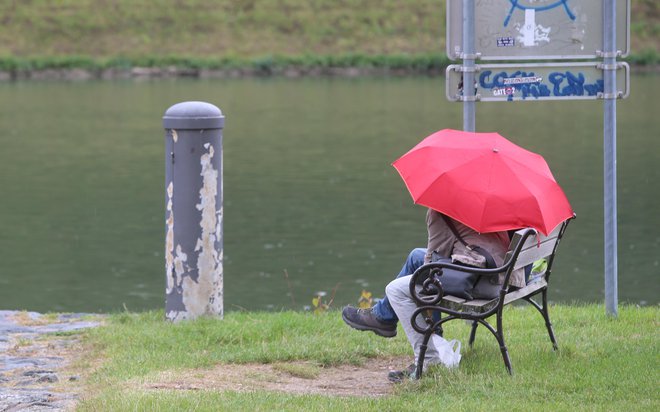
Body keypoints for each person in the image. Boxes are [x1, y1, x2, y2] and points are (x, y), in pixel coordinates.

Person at [342, 209, 524, 382]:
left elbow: (433, 261)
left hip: (481, 283)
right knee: (415, 257)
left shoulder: (444, 211)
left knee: (397, 289)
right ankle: (387, 318)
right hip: (504, 276)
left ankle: (429, 360)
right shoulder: (493, 208)